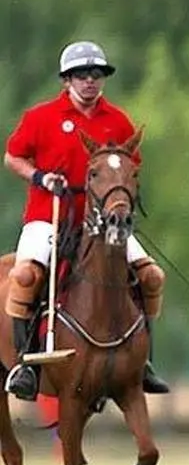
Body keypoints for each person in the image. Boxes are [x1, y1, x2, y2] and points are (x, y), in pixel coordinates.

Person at [3, 41, 169, 401]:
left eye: (96, 75)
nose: (90, 81)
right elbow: (13, 156)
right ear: (67, 80)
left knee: (151, 275)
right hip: (49, 215)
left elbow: (130, 165)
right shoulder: (41, 117)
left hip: (104, 222)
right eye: (81, 75)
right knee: (25, 275)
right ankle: (25, 366)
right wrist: (40, 178)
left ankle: (145, 361)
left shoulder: (117, 120)